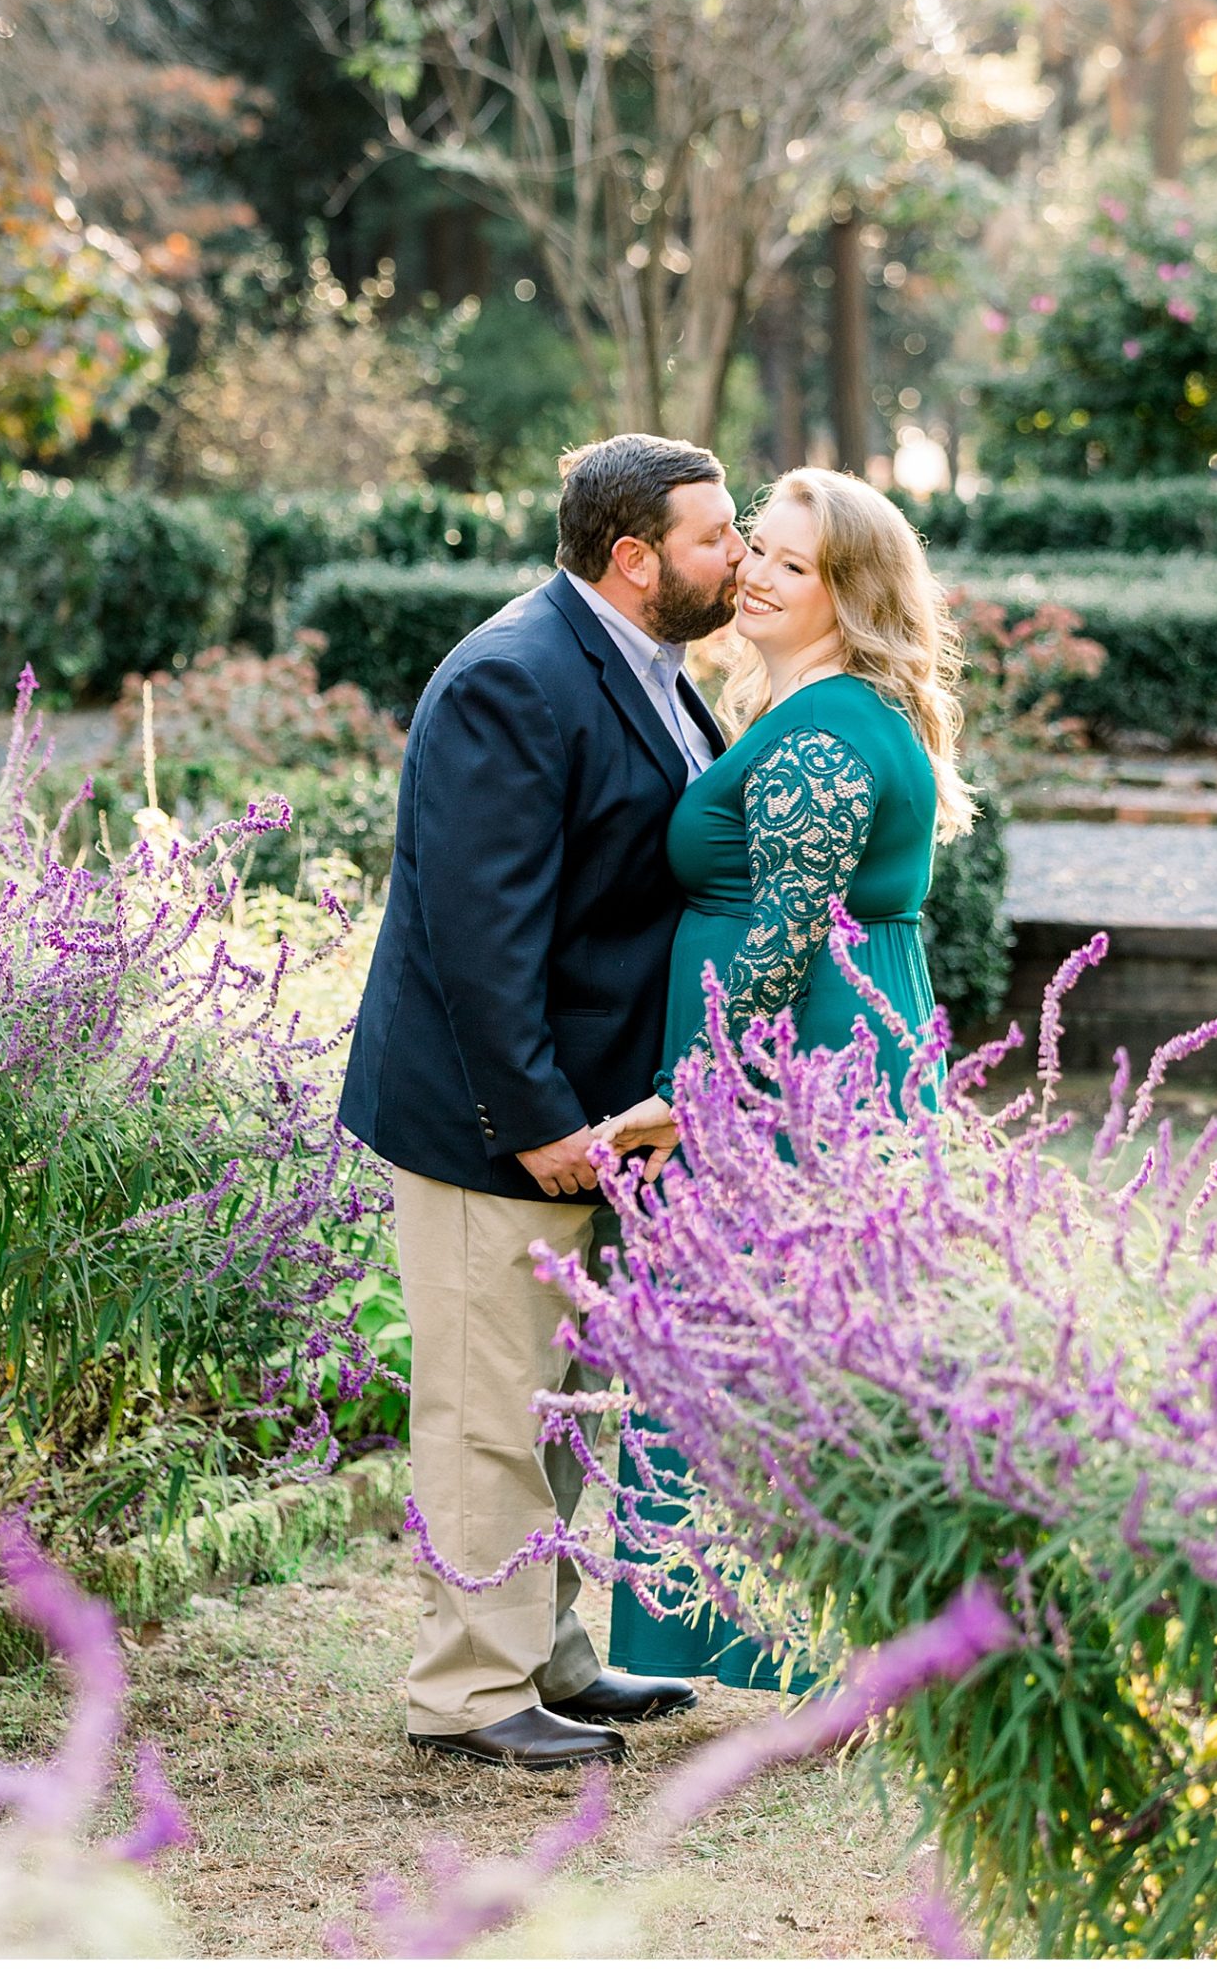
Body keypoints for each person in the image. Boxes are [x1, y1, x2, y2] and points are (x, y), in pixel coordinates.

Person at [338, 432, 746, 1768]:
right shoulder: (511, 682)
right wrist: (535, 1124)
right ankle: (467, 1694)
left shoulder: (657, 674)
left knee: (559, 1404)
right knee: (488, 1406)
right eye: (713, 537)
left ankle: (548, 1654)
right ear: (634, 561)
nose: (735, 555)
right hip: (491, 1122)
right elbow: (476, 935)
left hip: (594, 1114)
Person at [591, 467, 976, 1686]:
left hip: (782, 1076)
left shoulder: (824, 726)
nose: (754, 571)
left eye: (791, 563)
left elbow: (786, 927)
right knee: (788, 1352)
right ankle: (808, 1639)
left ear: (851, 594)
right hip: (803, 1060)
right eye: (753, 546)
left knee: (776, 1355)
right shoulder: (830, 708)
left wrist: (686, 1090)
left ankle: (818, 1648)